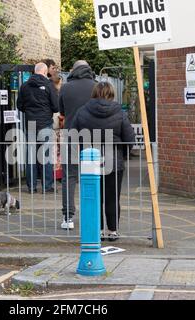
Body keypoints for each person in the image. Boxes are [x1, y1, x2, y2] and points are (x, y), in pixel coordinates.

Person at [70, 82, 135, 242]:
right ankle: (112, 231)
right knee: (112, 197)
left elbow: (72, 134)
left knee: (93, 197)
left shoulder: (82, 111)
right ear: (111, 93)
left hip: (90, 161)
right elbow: (129, 138)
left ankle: (96, 230)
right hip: (114, 160)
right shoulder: (119, 112)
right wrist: (123, 155)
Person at [58, 60, 97, 230]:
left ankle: (68, 217)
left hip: (71, 135)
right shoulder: (96, 86)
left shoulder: (66, 87)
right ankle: (94, 215)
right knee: (94, 176)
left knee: (70, 176)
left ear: (73, 70)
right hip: (93, 136)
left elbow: (62, 112)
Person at [17, 63, 59, 194]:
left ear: (35, 72)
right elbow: (56, 106)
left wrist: (29, 111)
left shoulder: (24, 86)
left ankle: (31, 187)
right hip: (45, 123)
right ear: (45, 72)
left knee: (31, 156)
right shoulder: (49, 85)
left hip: (30, 124)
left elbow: (20, 105)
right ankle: (47, 186)